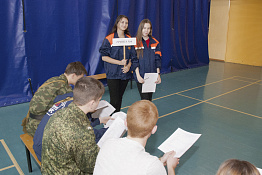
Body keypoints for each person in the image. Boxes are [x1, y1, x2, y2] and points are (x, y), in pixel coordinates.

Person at [93, 100, 179, 175]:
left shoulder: (107, 144)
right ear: (154, 129)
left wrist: (160, 161)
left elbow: (125, 167)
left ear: (126, 123)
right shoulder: (152, 165)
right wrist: (170, 167)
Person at [41, 77, 104, 174]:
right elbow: (91, 166)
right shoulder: (82, 131)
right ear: (92, 103)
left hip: (49, 170)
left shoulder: (59, 113)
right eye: (99, 100)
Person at [33, 92, 110, 162]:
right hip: (46, 153)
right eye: (98, 101)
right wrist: (110, 129)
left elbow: (84, 124)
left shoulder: (70, 100)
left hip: (39, 143)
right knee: (98, 145)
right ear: (91, 102)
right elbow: (89, 133)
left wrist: (99, 120)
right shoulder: (75, 115)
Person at [25, 61, 87, 137]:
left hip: (30, 123)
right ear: (73, 75)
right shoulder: (64, 88)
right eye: (80, 78)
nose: (80, 81)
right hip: (39, 128)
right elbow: (72, 110)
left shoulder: (54, 80)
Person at [99, 15, 137, 112]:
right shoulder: (109, 38)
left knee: (119, 98)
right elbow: (104, 57)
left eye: (126, 23)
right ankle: (110, 119)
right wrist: (119, 62)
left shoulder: (129, 39)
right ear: (117, 23)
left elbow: (133, 57)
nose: (124, 24)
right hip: (113, 74)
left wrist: (128, 66)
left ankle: (116, 118)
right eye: (122, 22)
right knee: (114, 100)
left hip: (125, 74)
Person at [133, 19, 162, 101]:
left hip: (152, 76)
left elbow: (157, 60)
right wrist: (138, 76)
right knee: (144, 99)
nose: (146, 30)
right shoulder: (135, 42)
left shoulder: (155, 42)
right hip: (141, 76)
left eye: (148, 28)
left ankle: (149, 114)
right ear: (141, 29)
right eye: (144, 28)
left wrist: (158, 74)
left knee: (149, 99)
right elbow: (134, 60)